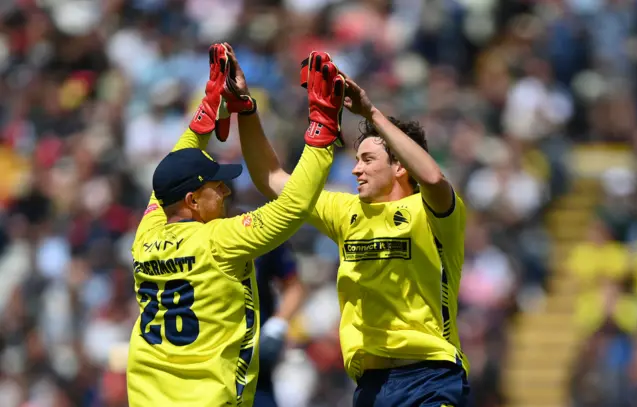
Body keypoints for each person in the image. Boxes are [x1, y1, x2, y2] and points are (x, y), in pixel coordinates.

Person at [231, 47, 470, 406]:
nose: (356, 169)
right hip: (371, 386)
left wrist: (370, 112)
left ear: (400, 166)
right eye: (357, 160)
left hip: (431, 376)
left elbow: (434, 178)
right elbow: (271, 179)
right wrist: (245, 107)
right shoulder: (345, 210)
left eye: (368, 160)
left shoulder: (432, 212)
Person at [126, 44, 346, 407]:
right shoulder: (220, 239)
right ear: (193, 202)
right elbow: (293, 205)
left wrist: (208, 107)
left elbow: (166, 176)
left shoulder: (146, 233)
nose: (226, 190)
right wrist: (322, 127)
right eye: (216, 186)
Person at [253, 241, 304, 407]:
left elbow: (293, 286)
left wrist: (277, 323)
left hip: (254, 355)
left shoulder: (257, 229)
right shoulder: (184, 231)